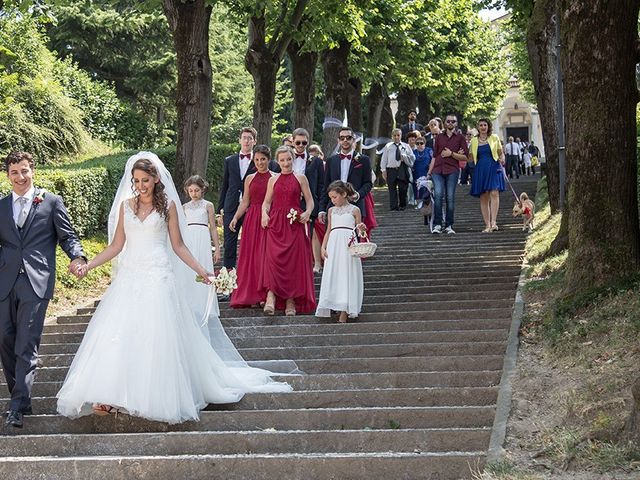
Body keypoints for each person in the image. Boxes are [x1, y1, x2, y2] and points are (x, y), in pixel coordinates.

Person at [56, 152, 293, 424]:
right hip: (130, 278)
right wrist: (89, 265)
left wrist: (202, 270)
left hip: (158, 277)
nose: (141, 185)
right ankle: (112, 395)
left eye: (146, 180)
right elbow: (116, 246)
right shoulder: (126, 207)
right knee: (120, 334)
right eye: (136, 180)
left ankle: (150, 394)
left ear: (156, 179)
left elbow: (178, 246)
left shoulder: (168, 206)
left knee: (155, 337)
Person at [0, 151, 86, 429]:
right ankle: (21, 399)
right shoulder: (1, 206)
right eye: (15, 172)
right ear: (8, 175)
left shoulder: (51, 202)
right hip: (4, 281)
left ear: (32, 171)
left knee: (26, 344)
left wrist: (77, 256)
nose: (20, 177)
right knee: (5, 339)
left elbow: (67, 235)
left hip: (36, 282)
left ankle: (16, 407)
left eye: (24, 171)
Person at [260, 147, 316, 316]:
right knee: (273, 260)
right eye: (282, 160)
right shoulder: (273, 179)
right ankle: (271, 296)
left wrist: (306, 213)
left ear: (293, 159)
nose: (285, 163)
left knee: (293, 262)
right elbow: (267, 202)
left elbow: (310, 201)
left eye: (288, 159)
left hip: (294, 224)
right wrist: (264, 214)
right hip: (276, 224)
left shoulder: (301, 178)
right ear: (277, 161)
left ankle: (291, 301)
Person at [229, 145, 275, 308]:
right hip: (251, 219)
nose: (260, 162)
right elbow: (245, 201)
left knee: (266, 257)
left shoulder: (275, 177)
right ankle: (252, 295)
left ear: (269, 160)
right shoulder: (249, 178)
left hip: (269, 219)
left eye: (263, 159)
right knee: (251, 257)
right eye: (257, 159)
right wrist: (235, 217)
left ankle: (265, 293)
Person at [316, 181, 365, 324]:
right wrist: (323, 247)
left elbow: (360, 232)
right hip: (333, 243)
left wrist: (362, 228)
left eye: (335, 197)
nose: (333, 200)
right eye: (331, 198)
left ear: (344, 194)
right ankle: (333, 303)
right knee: (334, 273)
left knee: (346, 273)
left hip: (348, 243)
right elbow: (329, 229)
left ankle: (344, 309)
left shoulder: (355, 210)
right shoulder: (331, 211)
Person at [217, 127, 257, 272]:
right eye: (244, 137)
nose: (246, 141)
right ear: (239, 140)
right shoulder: (229, 160)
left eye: (249, 138)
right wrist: (219, 210)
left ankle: (248, 279)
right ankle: (227, 282)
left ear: (254, 141)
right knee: (229, 244)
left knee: (251, 243)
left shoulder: (258, 161)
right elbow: (225, 185)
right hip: (231, 206)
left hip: (251, 208)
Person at [318, 126, 373, 225]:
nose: (345, 140)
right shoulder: (331, 161)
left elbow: (368, 183)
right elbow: (326, 186)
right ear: (338, 140)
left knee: (354, 239)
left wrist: (357, 195)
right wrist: (322, 209)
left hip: (355, 206)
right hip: (333, 207)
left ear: (353, 139)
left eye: (348, 138)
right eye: (342, 138)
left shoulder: (364, 160)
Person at [427, 113, 469, 234]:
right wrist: (429, 172)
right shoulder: (439, 137)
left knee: (450, 197)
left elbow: (466, 157)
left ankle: (449, 225)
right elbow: (434, 156)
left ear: (456, 124)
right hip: (437, 169)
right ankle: (437, 224)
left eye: (453, 121)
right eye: (448, 121)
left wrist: (452, 154)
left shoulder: (460, 138)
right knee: (438, 195)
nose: (450, 123)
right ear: (445, 123)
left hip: (452, 170)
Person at [469, 119, 506, 232]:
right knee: (484, 196)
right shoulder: (474, 141)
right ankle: (487, 225)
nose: (483, 127)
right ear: (478, 127)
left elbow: (501, 153)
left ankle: (494, 222)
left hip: (494, 166)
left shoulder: (494, 137)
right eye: (481, 125)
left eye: (485, 125)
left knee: (494, 193)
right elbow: (470, 157)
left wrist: (502, 158)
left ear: (488, 126)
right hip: (480, 169)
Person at [291, 127, 324, 237]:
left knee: (307, 239)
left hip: (309, 205)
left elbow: (321, 186)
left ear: (308, 142)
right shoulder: (285, 159)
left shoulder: (316, 161)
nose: (301, 145)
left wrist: (320, 207)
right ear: (292, 141)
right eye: (298, 142)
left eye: (304, 142)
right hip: (289, 204)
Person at [380, 128, 415, 211]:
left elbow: (412, 157)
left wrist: (405, 158)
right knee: (392, 189)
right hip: (391, 169)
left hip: (402, 169)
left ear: (401, 136)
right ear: (392, 136)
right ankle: (394, 207)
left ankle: (402, 205)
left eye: (398, 135)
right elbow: (384, 159)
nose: (396, 137)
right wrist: (383, 170)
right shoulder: (388, 146)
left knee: (403, 188)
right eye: (394, 135)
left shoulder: (406, 146)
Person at [308, 144, 326, 274]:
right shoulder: (290, 160)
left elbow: (322, 184)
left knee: (315, 233)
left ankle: (318, 262)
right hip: (294, 202)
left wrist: (321, 205)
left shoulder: (320, 163)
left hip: (315, 202)